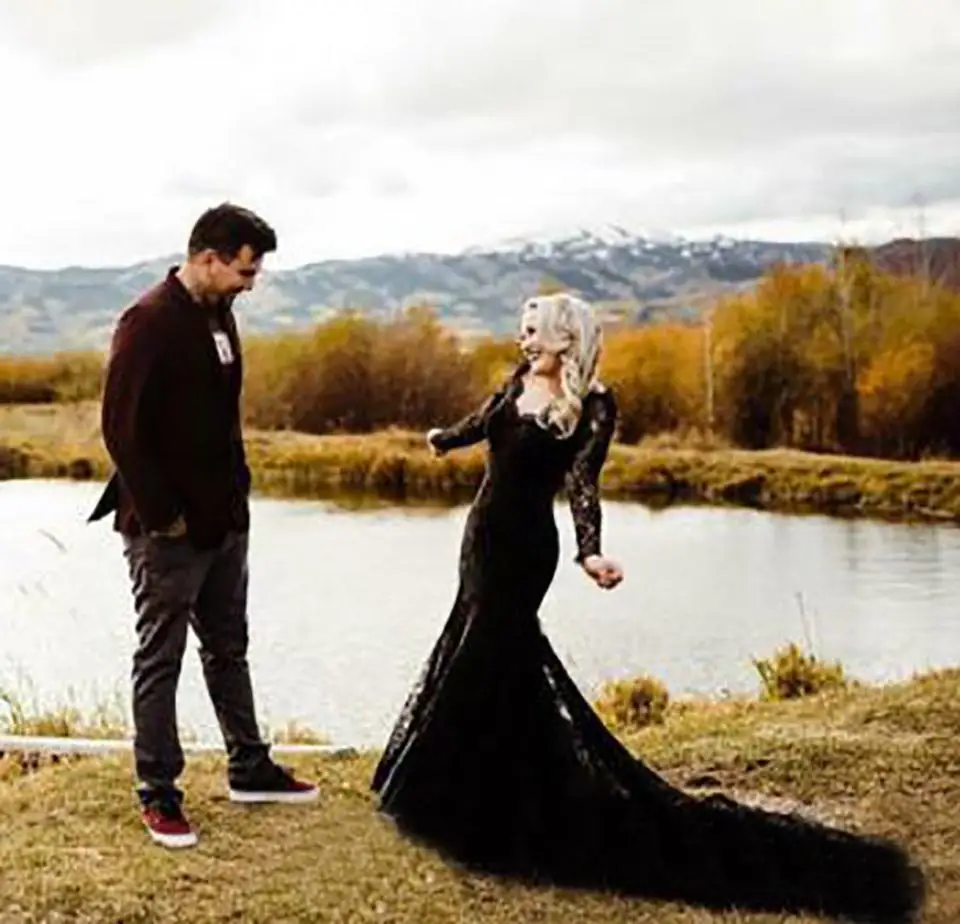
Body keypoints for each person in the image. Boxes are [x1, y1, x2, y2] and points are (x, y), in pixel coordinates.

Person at [370, 292, 925, 923]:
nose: (522, 340)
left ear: (565, 339)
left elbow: (583, 482)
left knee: (494, 651)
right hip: (481, 539)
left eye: (533, 332)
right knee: (480, 648)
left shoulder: (592, 404)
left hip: (525, 548)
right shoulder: (519, 380)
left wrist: (590, 554)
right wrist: (444, 440)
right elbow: (484, 421)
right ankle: (485, 783)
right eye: (522, 331)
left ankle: (472, 801)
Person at [88, 203, 317, 850]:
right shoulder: (148, 321)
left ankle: (249, 767)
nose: (251, 283)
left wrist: (235, 497)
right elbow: (122, 431)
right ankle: (158, 792)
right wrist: (166, 518)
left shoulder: (220, 312)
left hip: (225, 520)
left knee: (227, 646)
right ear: (208, 259)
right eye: (245, 270)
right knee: (160, 658)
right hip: (167, 531)